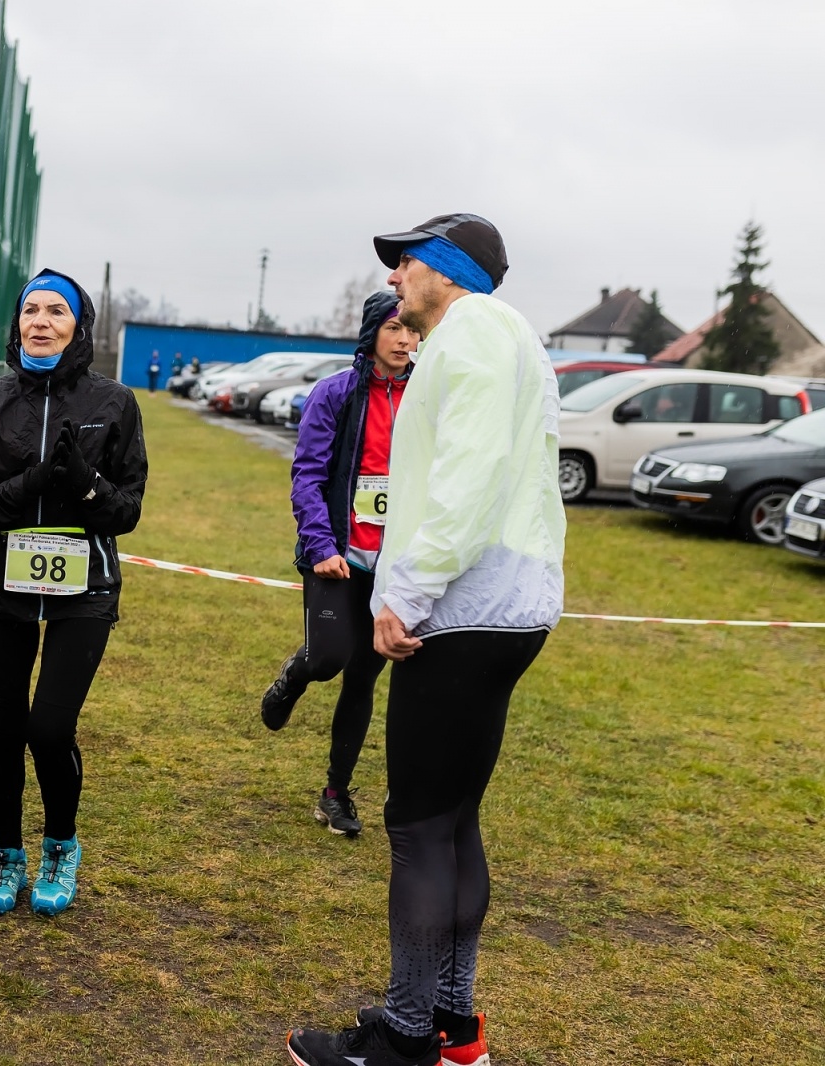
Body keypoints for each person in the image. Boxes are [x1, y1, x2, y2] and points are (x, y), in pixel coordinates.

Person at [285, 215, 564, 1066]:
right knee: (453, 820)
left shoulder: (470, 332)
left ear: (447, 269)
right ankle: (454, 1024)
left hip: (465, 608)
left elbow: (466, 478)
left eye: (405, 261)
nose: (394, 276)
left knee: (415, 827)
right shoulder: (512, 337)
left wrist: (404, 594)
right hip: (508, 606)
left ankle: (406, 1037)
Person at [0, 268, 148, 916]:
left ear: (78, 326)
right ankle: (7, 855)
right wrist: (29, 485)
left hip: (83, 589)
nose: (40, 321)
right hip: (0, 587)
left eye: (56, 311)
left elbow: (127, 511)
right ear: (17, 324)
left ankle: (61, 845)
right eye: (30, 310)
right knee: (3, 729)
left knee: (50, 727)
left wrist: (85, 483)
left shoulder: (114, 402)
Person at [260, 291, 418, 838]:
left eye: (412, 330)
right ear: (372, 333)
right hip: (336, 554)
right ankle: (295, 673)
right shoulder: (335, 393)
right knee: (329, 658)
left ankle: (335, 793)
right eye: (394, 328)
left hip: (392, 565)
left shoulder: (425, 396)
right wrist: (321, 545)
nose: (404, 340)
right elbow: (307, 474)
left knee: (363, 676)